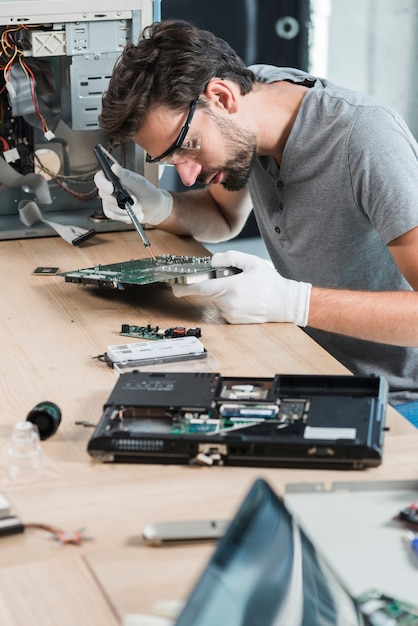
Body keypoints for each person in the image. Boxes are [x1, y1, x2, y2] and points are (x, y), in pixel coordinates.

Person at [94, 19, 418, 423]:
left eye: (187, 147)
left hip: (396, 398)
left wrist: (292, 301)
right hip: (305, 363)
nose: (189, 175)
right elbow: (221, 216)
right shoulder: (256, 93)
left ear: (222, 97)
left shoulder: (365, 137)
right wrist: (160, 206)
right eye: (172, 161)